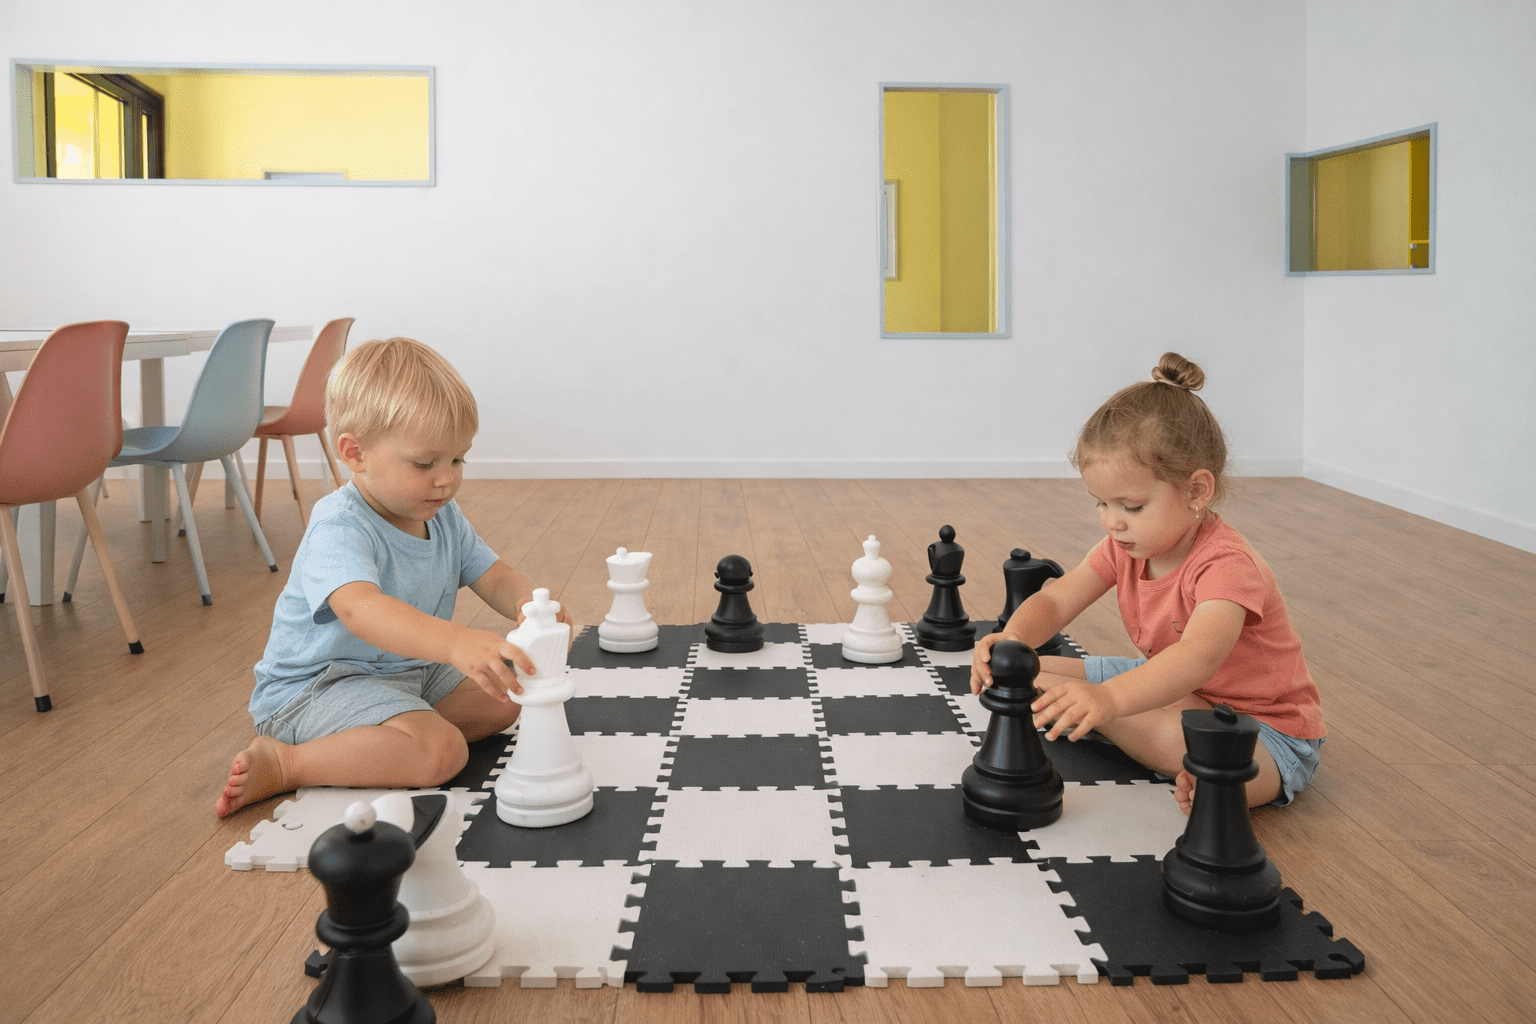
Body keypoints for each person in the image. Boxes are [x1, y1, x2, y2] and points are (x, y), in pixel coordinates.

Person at [216, 336, 568, 817]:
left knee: (507, 692)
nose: (446, 478)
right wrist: (454, 642)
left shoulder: (441, 514)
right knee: (441, 753)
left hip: (405, 674)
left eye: (457, 459)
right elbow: (362, 610)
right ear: (355, 453)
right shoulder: (339, 526)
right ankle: (287, 763)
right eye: (425, 463)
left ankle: (393, 731)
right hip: (317, 688)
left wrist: (534, 604)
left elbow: (495, 576)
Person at [970, 352, 1325, 811]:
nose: (1112, 522)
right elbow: (1057, 600)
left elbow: (1197, 657)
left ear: (1197, 490)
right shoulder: (1124, 545)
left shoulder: (1227, 565)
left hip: (1261, 729)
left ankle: (1180, 762)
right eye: (1101, 503)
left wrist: (1108, 699)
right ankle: (1097, 713)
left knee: (1186, 747)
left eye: (1131, 507)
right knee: (1023, 674)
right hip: (1172, 690)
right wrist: (1013, 640)